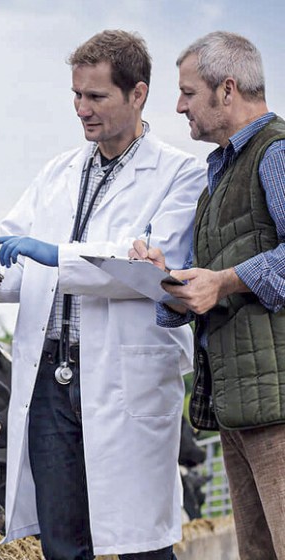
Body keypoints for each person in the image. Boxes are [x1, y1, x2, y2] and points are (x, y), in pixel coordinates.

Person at [0, 30, 206, 560]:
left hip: (126, 377)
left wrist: (58, 254)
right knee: (62, 541)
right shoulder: (56, 173)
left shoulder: (180, 176)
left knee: (143, 543)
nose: (82, 109)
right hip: (52, 380)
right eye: (76, 95)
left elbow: (152, 269)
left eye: (96, 97)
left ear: (138, 94)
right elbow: (17, 264)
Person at [130, 31, 285, 560]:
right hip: (240, 406)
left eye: (187, 93)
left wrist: (223, 280)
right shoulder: (218, 176)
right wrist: (170, 281)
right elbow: (219, 284)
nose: (178, 106)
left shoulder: (276, 152)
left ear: (226, 89)